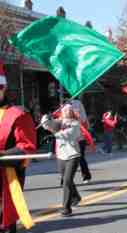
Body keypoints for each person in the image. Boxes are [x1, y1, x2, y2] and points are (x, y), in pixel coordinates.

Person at [0, 62, 37, 232]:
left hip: (7, 176)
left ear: (3, 89)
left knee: (6, 221)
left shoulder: (17, 114)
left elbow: (26, 147)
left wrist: (2, 155)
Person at [41, 104, 82, 217]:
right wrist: (46, 117)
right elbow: (46, 125)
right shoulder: (59, 121)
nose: (66, 111)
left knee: (67, 181)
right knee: (65, 180)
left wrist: (54, 134)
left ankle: (66, 208)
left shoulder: (75, 123)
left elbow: (68, 135)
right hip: (61, 156)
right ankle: (76, 197)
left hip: (73, 155)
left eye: (69, 110)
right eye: (64, 110)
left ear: (72, 112)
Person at [70, 99, 92, 184]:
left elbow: (83, 119)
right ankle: (65, 179)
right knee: (67, 159)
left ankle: (86, 176)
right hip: (68, 139)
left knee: (80, 157)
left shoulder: (77, 103)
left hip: (79, 137)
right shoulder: (62, 104)